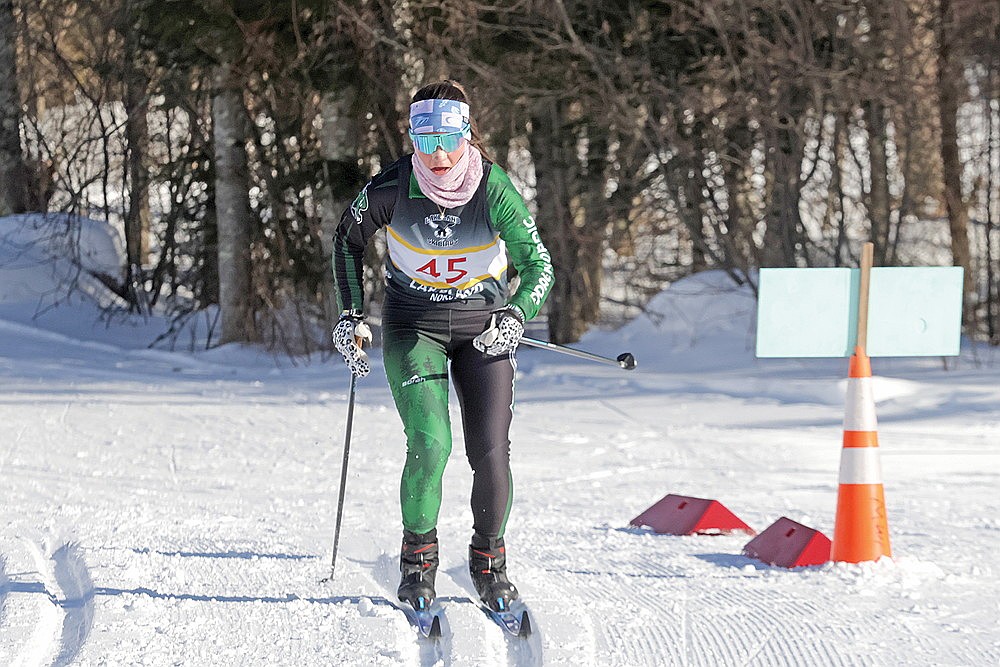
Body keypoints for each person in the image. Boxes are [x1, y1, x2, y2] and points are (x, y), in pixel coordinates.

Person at [331, 80, 554, 613]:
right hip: (414, 327)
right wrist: (351, 315)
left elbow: (539, 265)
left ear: (467, 134)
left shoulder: (494, 190)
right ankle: (418, 562)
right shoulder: (391, 186)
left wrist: (516, 315)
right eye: (423, 138)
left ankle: (489, 561)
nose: (437, 154)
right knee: (431, 444)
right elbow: (348, 240)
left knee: (491, 454)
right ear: (410, 136)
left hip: (484, 331)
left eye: (448, 138)